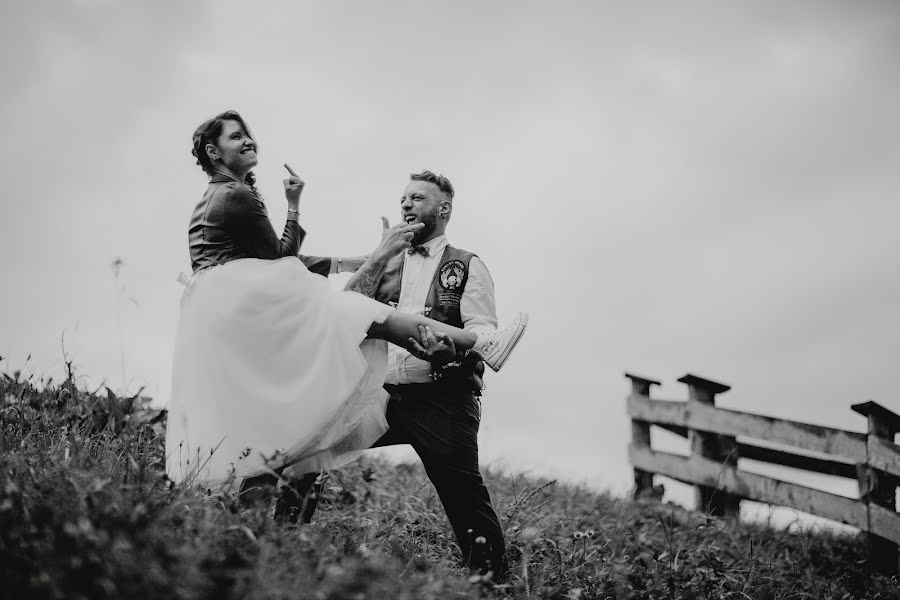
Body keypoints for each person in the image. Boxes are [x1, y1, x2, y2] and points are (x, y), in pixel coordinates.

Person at [165, 111, 528, 492]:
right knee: (358, 315)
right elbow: (282, 259)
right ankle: (486, 344)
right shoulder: (235, 193)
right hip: (243, 302)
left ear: (444, 209)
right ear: (214, 151)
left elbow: (272, 258)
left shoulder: (466, 264)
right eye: (235, 137)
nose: (247, 140)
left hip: (226, 304)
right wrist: (295, 206)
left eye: (247, 134)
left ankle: (264, 526)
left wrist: (356, 260)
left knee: (285, 420)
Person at [291, 170, 515, 581]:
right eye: (404, 199)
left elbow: (484, 332)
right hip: (382, 393)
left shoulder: (466, 264)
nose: (406, 205)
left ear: (443, 209)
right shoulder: (389, 258)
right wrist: (379, 256)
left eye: (417, 198)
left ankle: (493, 586)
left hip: (443, 398)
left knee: (464, 499)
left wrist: (448, 350)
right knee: (308, 446)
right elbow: (349, 309)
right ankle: (283, 543)